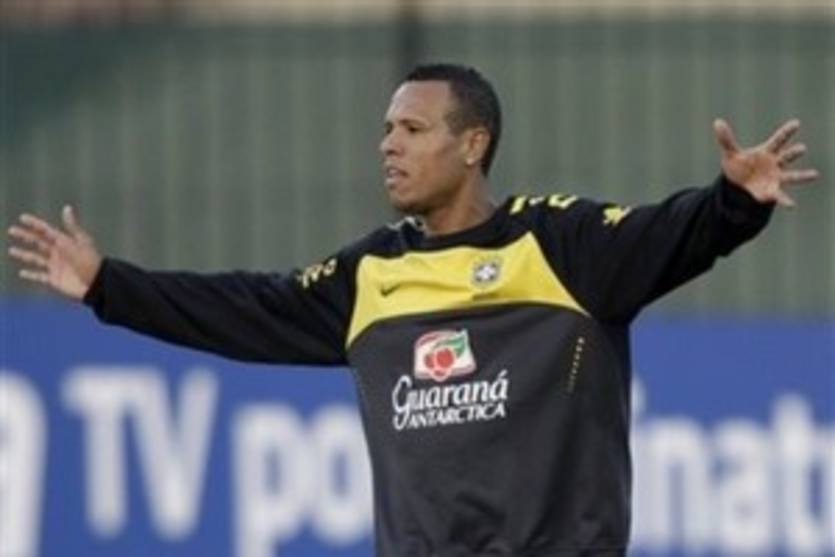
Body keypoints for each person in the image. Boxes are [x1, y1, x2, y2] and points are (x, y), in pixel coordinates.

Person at [7, 63, 820, 556]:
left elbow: (670, 235)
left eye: (412, 127)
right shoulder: (372, 275)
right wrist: (108, 284)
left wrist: (733, 203)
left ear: (472, 144)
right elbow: (242, 307)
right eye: (385, 128)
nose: (388, 144)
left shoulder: (558, 246)